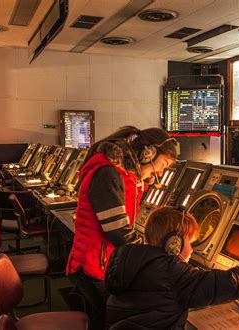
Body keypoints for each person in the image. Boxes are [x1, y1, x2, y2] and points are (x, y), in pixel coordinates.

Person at [105, 206, 239, 329]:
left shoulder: (131, 259)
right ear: (174, 244)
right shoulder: (170, 271)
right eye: (191, 242)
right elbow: (220, 284)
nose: (192, 249)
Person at [66, 126, 179, 329]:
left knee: (104, 320)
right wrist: (155, 256)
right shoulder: (108, 173)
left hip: (102, 262)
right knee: (115, 321)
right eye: (162, 165)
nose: (161, 172)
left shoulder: (123, 173)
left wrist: (145, 182)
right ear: (147, 154)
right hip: (95, 266)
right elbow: (119, 232)